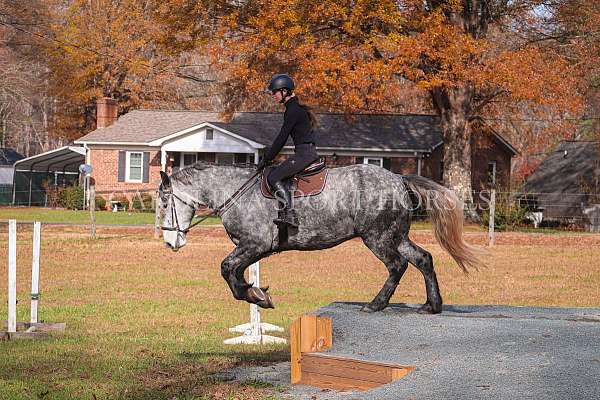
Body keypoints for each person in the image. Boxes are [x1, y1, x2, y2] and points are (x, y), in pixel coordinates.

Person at [257, 74, 318, 228]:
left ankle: (290, 215)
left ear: (284, 91)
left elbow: (282, 138)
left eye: (275, 92)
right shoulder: (294, 109)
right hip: (304, 152)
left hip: (305, 154)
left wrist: (267, 158)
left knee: (273, 176)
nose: (273, 95)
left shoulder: (293, 111)